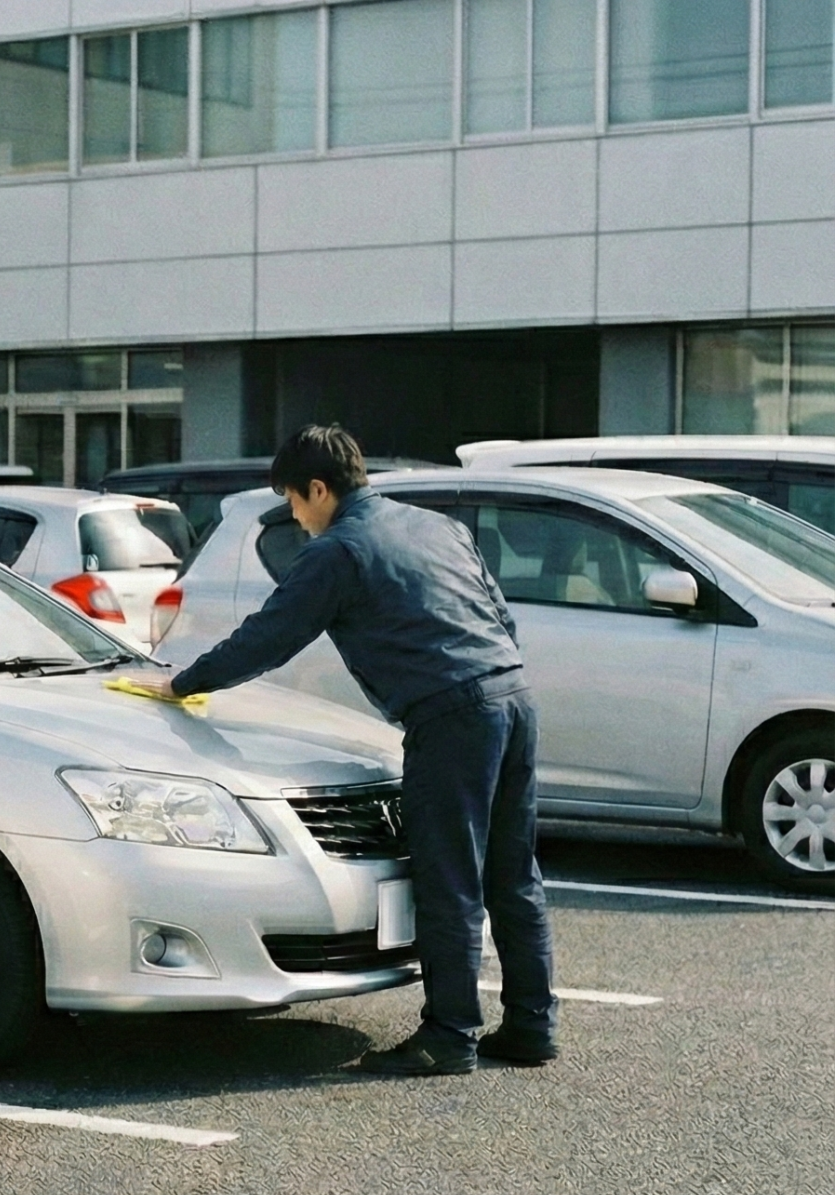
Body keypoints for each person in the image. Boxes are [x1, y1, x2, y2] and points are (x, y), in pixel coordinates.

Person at [122, 425, 556, 1076]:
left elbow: (269, 637)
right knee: (513, 874)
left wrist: (183, 682)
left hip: (451, 716)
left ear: (319, 490)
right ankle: (531, 1026)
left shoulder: (339, 551)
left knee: (450, 878)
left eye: (294, 502)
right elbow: (500, 617)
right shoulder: (437, 527)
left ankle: (449, 1035)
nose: (297, 518)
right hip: (513, 696)